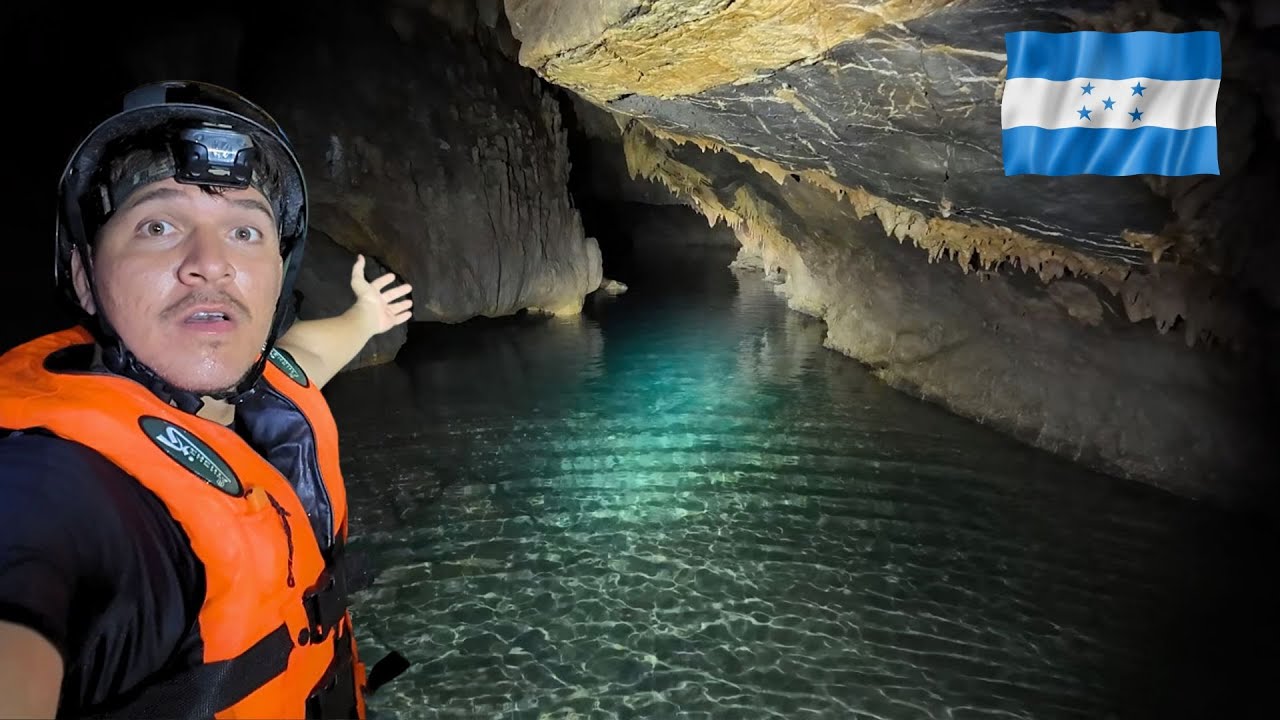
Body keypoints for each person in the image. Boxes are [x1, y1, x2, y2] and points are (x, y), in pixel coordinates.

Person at [0, 80, 412, 718]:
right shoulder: (57, 489)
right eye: (158, 225)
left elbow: (305, 357)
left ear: (279, 278)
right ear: (84, 277)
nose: (209, 263)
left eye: (245, 233)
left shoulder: (258, 383)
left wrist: (365, 318)